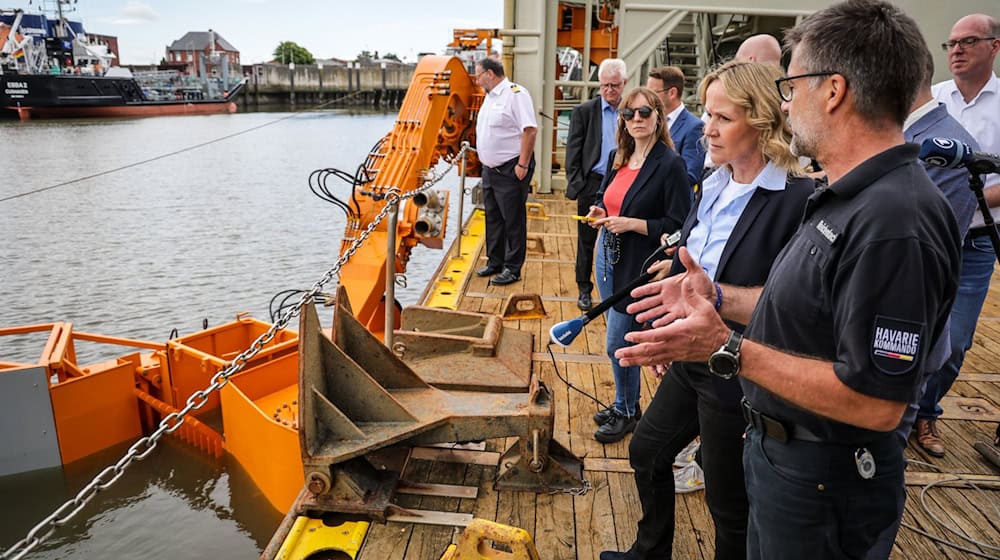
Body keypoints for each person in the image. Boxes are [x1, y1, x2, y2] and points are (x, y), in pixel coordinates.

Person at [617, 2, 961, 558]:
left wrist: (724, 348)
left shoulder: (895, 222)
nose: (785, 102)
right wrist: (715, 295)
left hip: (823, 484)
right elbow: (806, 310)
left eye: (791, 83)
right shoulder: (850, 199)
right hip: (786, 459)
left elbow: (878, 403)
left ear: (832, 91)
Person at [600, 61, 815, 560]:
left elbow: (796, 305)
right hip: (694, 352)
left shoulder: (796, 200)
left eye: (723, 118)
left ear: (761, 122)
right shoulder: (715, 184)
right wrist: (669, 331)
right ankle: (649, 551)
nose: (707, 129)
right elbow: (692, 271)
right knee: (647, 450)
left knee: (727, 497)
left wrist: (712, 304)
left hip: (737, 364)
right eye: (707, 114)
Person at [586, 86, 691, 443]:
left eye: (644, 112)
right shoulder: (620, 154)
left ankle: (627, 411)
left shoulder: (670, 164)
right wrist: (599, 210)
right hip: (608, 254)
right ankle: (626, 403)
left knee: (618, 340)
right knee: (618, 335)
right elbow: (606, 196)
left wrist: (631, 223)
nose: (636, 120)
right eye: (628, 114)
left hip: (639, 262)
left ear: (658, 116)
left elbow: (678, 224)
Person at [916, 13, 1000, 457]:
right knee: (913, 324)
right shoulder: (934, 101)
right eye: (950, 44)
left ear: (994, 47)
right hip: (925, 236)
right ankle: (907, 409)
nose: (957, 50)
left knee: (958, 339)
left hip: (976, 240)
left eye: (968, 41)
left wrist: (973, 184)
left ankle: (927, 411)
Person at [565, 58, 628, 311]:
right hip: (592, 182)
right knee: (586, 240)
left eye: (614, 85)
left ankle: (616, 289)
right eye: (604, 86)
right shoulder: (585, 112)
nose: (609, 90)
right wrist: (578, 184)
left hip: (622, 181)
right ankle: (583, 288)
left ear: (624, 84)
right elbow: (573, 150)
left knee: (620, 237)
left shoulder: (632, 111)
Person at [473, 56, 538, 286]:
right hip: (490, 169)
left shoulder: (515, 94)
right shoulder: (489, 98)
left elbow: (530, 130)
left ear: (490, 74)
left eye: (478, 75)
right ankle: (495, 261)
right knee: (493, 217)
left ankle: (513, 268)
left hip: (511, 167)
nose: (477, 80)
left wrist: (522, 164)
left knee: (513, 219)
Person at [647, 66, 706, 192]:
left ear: (672, 93)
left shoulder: (694, 127)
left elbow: (690, 174)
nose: (648, 98)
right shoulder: (649, 121)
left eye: (653, 93)